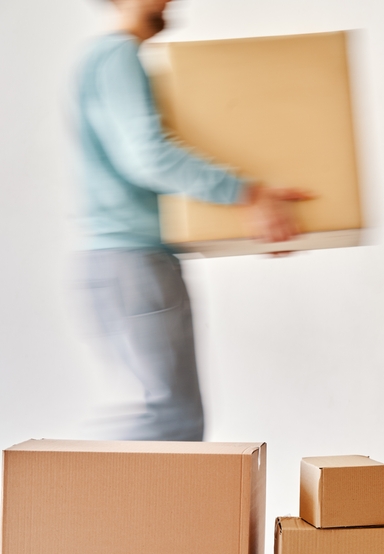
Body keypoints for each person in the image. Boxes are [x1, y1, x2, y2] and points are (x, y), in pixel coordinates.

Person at [76, 0, 309, 441]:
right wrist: (250, 193)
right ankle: (68, 500)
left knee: (168, 418)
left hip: (120, 261)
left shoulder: (102, 60)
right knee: (172, 421)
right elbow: (150, 156)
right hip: (134, 261)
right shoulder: (117, 54)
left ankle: (76, 500)